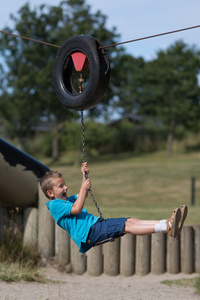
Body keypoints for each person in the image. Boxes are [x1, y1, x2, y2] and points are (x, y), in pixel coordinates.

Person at [40, 162, 188, 253]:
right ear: (50, 193)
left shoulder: (65, 200)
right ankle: (167, 226)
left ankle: (167, 224)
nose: (66, 187)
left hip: (95, 226)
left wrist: (84, 175)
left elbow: (81, 195)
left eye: (64, 183)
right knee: (126, 225)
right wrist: (84, 187)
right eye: (61, 186)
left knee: (130, 221)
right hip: (90, 233)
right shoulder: (55, 205)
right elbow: (77, 209)